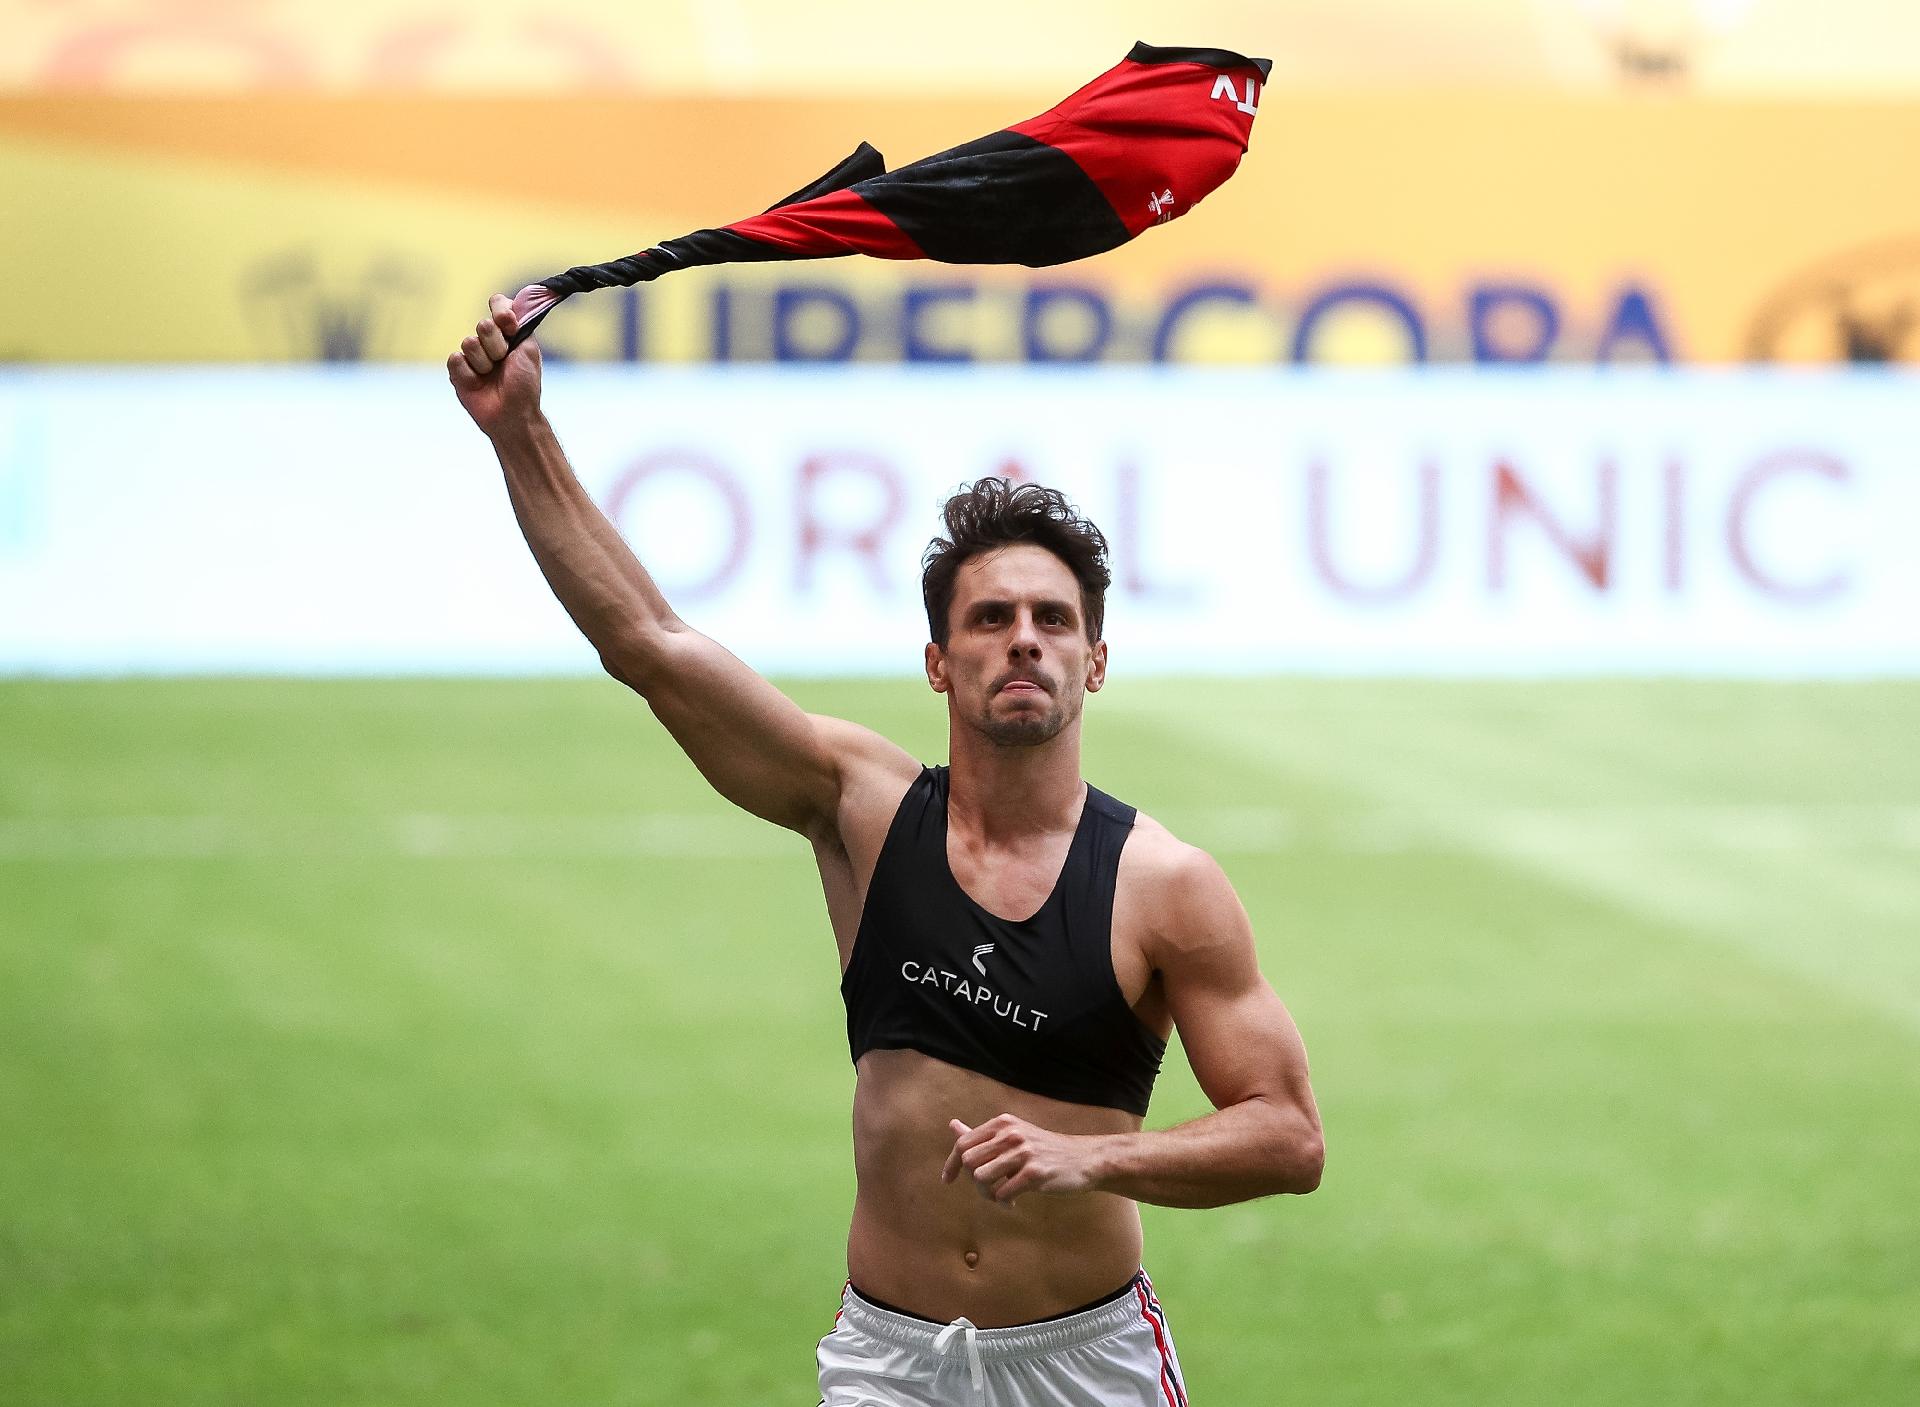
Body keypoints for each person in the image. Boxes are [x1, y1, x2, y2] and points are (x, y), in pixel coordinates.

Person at [450, 294, 1325, 1407]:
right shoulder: (861, 810)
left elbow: (1289, 1137)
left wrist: (1091, 1159)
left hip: (1084, 1366)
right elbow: (653, 647)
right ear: (937, 661)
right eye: (991, 617)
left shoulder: (1163, 885)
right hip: (888, 1366)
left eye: (1054, 621)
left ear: (1095, 662)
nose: (1023, 640)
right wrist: (518, 432)